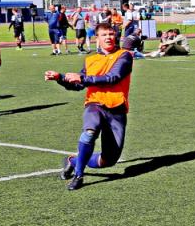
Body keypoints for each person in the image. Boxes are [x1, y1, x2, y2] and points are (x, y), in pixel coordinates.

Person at [44, 23, 134, 191]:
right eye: (104, 34)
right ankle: (79, 175)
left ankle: (72, 161)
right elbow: (78, 85)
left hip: (117, 109)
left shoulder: (125, 56)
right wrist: (60, 77)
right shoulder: (90, 59)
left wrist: (82, 79)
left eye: (111, 34)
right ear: (97, 39)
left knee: (108, 161)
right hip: (95, 104)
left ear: (116, 37)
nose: (108, 37)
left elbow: (112, 78)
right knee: (89, 133)